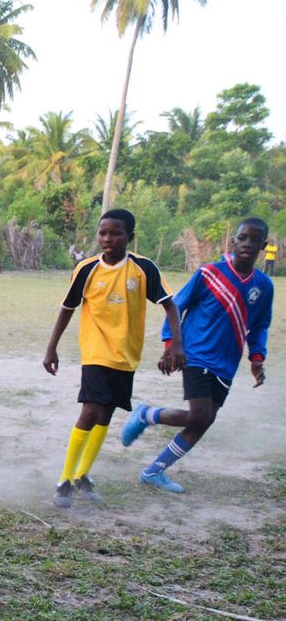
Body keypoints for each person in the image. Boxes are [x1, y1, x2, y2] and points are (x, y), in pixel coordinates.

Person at [43, 209, 184, 509]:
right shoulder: (86, 269)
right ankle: (64, 480)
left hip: (126, 355)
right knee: (91, 411)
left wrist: (175, 346)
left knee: (106, 414)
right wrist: (51, 348)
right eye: (103, 232)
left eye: (115, 232)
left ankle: (82, 474)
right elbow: (67, 308)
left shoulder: (143, 269)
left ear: (129, 236)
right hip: (95, 351)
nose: (107, 238)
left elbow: (171, 306)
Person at [123, 218, 274, 493]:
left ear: (263, 246)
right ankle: (147, 414)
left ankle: (153, 471)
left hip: (227, 363)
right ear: (233, 241)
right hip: (196, 355)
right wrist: (171, 344)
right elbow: (176, 305)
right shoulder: (209, 273)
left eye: (255, 240)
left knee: (205, 420)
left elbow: (260, 325)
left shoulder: (263, 286)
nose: (247, 244)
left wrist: (257, 358)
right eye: (243, 238)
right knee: (198, 415)